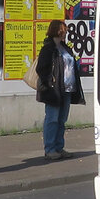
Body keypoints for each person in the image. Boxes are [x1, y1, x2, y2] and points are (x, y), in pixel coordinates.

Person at [35, 19, 84, 161]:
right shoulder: (48, 48)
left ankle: (59, 147)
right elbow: (41, 69)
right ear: (57, 31)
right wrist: (50, 82)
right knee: (52, 119)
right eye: (64, 31)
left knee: (62, 120)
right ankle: (49, 149)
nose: (66, 33)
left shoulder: (65, 48)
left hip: (67, 89)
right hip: (54, 91)